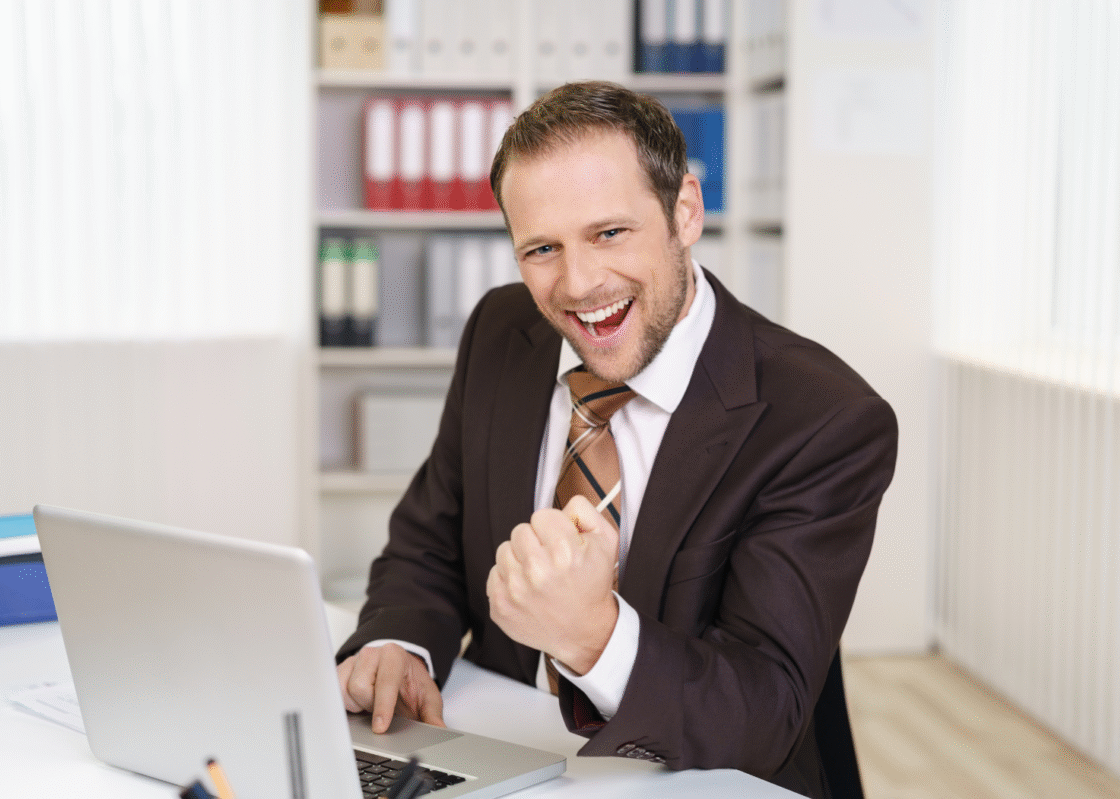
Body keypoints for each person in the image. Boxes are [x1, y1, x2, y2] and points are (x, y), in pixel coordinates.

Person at [335, 80, 897, 799]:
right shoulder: (502, 331)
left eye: (609, 233)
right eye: (542, 248)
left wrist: (592, 636)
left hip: (691, 778)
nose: (580, 284)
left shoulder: (823, 419)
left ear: (684, 211)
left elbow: (766, 708)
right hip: (508, 755)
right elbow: (432, 539)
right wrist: (397, 643)